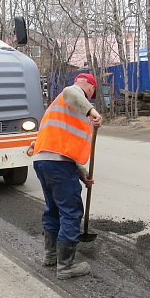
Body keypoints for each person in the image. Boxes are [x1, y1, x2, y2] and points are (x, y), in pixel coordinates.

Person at [32, 73, 104, 280]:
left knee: (53, 209)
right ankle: (65, 267)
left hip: (44, 161)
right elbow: (71, 91)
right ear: (89, 87)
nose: (90, 97)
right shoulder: (72, 94)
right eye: (91, 93)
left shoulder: (59, 108)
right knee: (71, 213)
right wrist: (92, 112)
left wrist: (82, 173)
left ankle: (51, 257)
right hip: (58, 165)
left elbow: (62, 146)